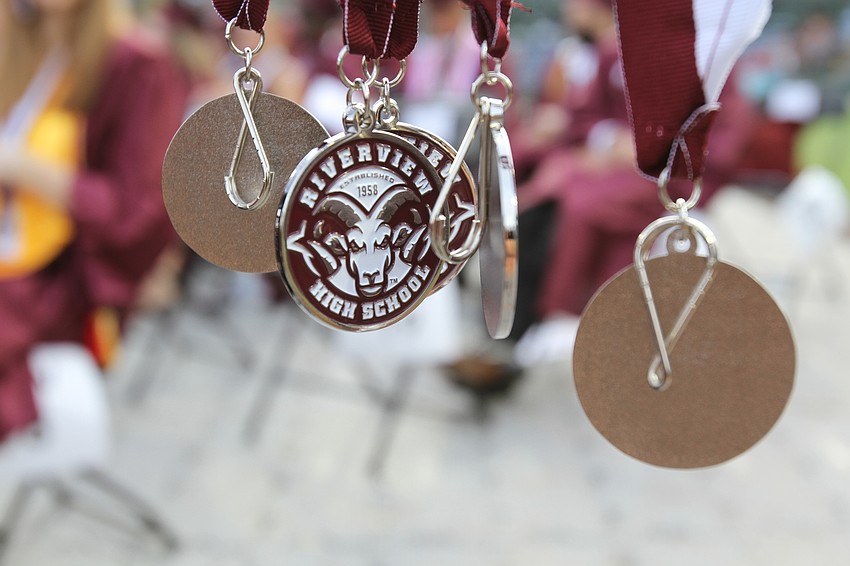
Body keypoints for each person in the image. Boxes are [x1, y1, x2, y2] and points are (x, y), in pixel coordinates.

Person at [0, 0, 185, 439]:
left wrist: (24, 167)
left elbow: (137, 210)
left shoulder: (136, 65)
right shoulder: (21, 44)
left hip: (57, 283)